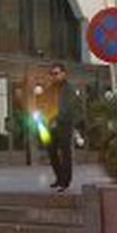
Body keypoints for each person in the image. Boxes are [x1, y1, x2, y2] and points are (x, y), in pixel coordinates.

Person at [45, 63, 83, 191]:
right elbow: (45, 105)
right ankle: (59, 177)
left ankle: (65, 181)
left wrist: (58, 119)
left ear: (63, 74)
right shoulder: (50, 89)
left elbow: (68, 108)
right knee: (51, 152)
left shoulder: (69, 89)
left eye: (56, 73)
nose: (54, 76)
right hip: (50, 125)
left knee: (65, 153)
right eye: (52, 74)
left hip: (64, 125)